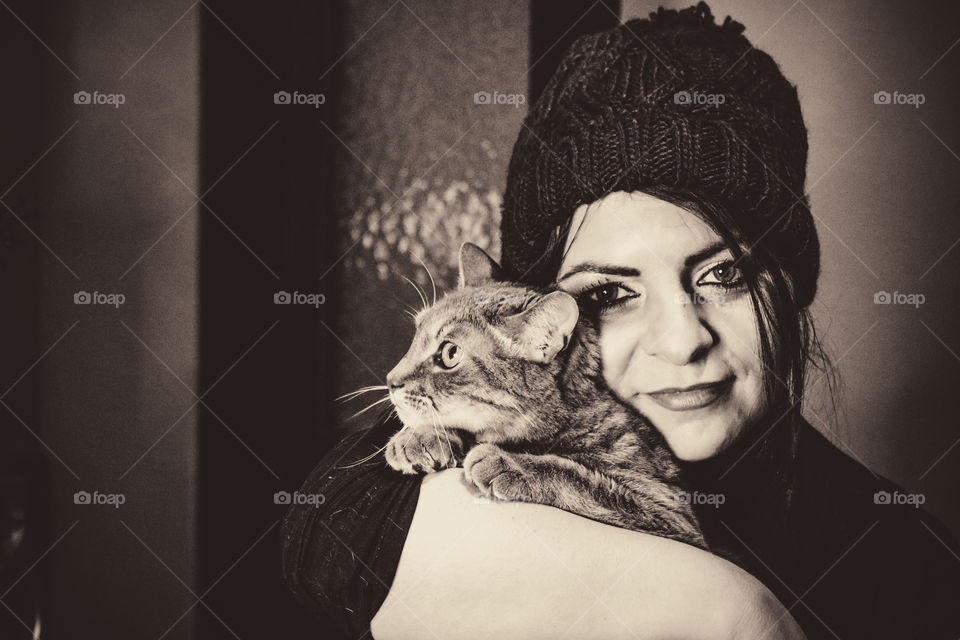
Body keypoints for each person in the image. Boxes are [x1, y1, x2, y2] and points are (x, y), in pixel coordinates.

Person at [281, 3, 960, 639]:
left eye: (724, 274)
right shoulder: (396, 466)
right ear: (542, 326)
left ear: (789, 282)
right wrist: (730, 610)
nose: (683, 340)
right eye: (607, 295)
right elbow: (325, 529)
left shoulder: (915, 570)